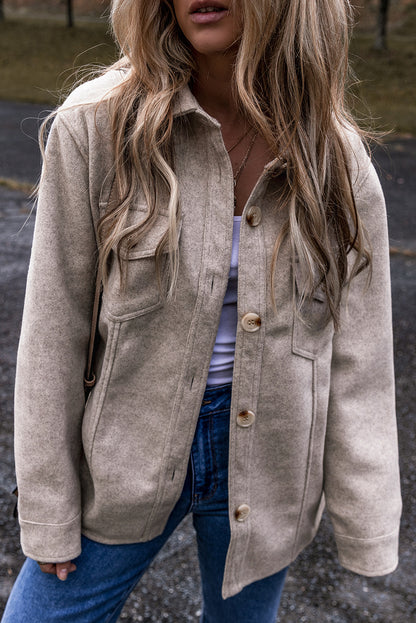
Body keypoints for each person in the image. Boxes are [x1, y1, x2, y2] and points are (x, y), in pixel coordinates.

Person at [2, 1, 402, 622]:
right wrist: (50, 503)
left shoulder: (336, 160)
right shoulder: (95, 126)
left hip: (271, 458)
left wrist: (368, 523)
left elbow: (359, 359)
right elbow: (54, 327)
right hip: (126, 453)